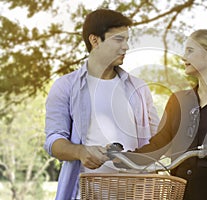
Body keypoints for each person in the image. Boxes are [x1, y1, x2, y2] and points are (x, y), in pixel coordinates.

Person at [44, 9, 159, 199]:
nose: (126, 47)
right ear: (95, 40)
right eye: (118, 40)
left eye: (127, 40)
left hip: (136, 194)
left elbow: (159, 138)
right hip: (86, 194)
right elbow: (53, 141)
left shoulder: (139, 88)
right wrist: (80, 151)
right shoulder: (65, 86)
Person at [129, 29, 207, 200]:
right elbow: (158, 145)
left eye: (190, 51)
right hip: (179, 194)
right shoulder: (178, 100)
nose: (183, 57)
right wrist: (118, 157)